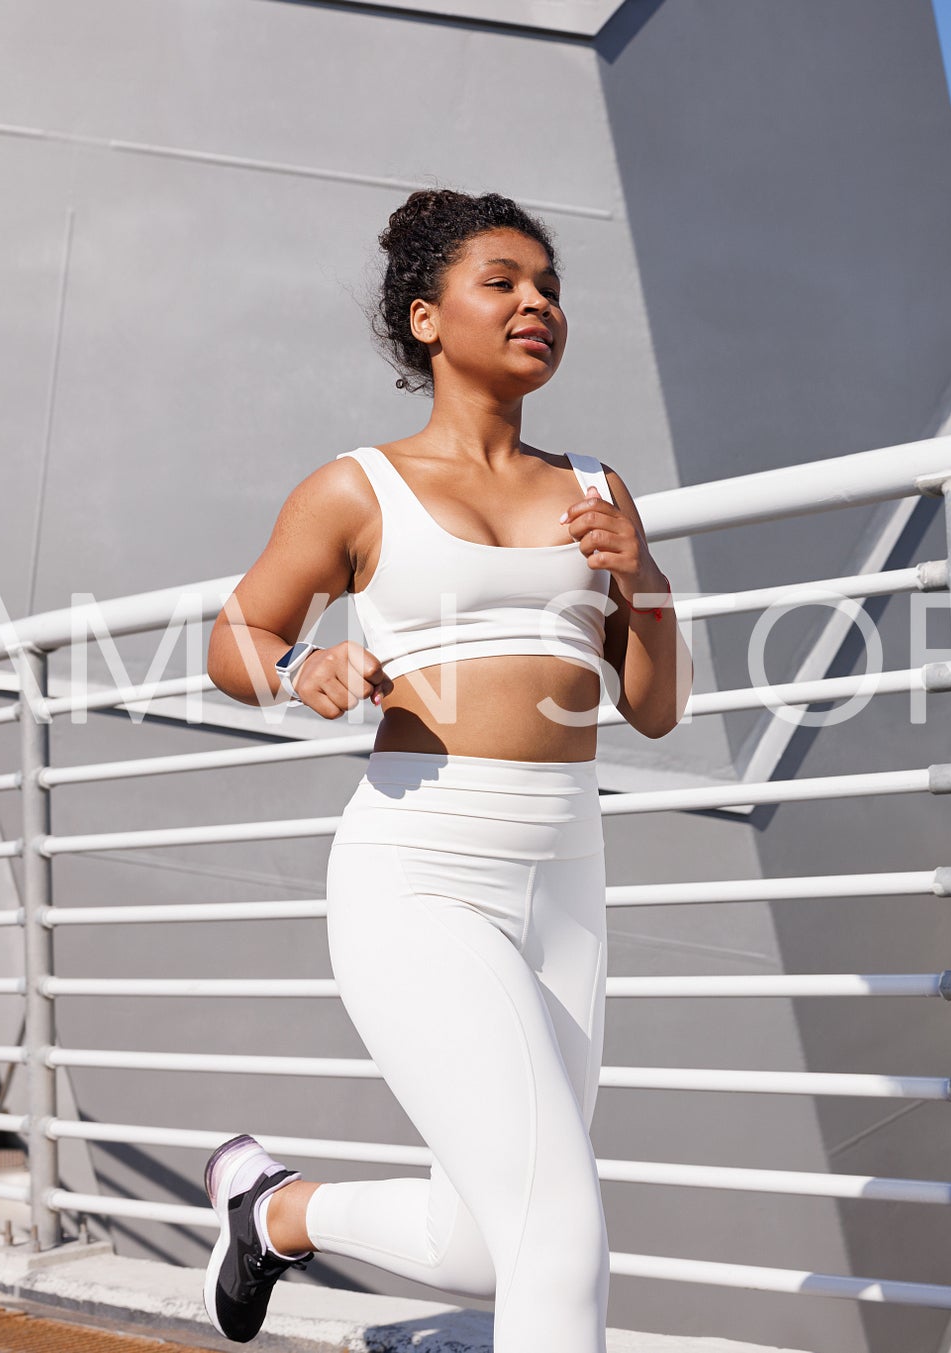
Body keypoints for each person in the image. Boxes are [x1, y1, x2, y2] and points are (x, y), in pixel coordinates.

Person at [202, 188, 693, 1351]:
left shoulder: (595, 491)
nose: (537, 304)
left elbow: (656, 711)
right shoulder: (354, 487)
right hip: (419, 870)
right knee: (560, 1240)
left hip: (565, 875)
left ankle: (274, 1213)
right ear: (426, 319)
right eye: (503, 281)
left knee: (488, 1239)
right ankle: (271, 1213)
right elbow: (235, 638)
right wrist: (300, 668)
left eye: (550, 288)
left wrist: (647, 581)